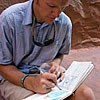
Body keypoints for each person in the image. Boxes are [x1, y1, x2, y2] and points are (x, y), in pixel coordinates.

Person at [0, 0, 95, 100]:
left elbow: (60, 53)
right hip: (14, 77)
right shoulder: (9, 19)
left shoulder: (64, 23)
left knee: (85, 95)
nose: (56, 14)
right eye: (51, 6)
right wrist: (30, 82)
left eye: (62, 8)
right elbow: (2, 66)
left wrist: (55, 63)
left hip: (46, 72)